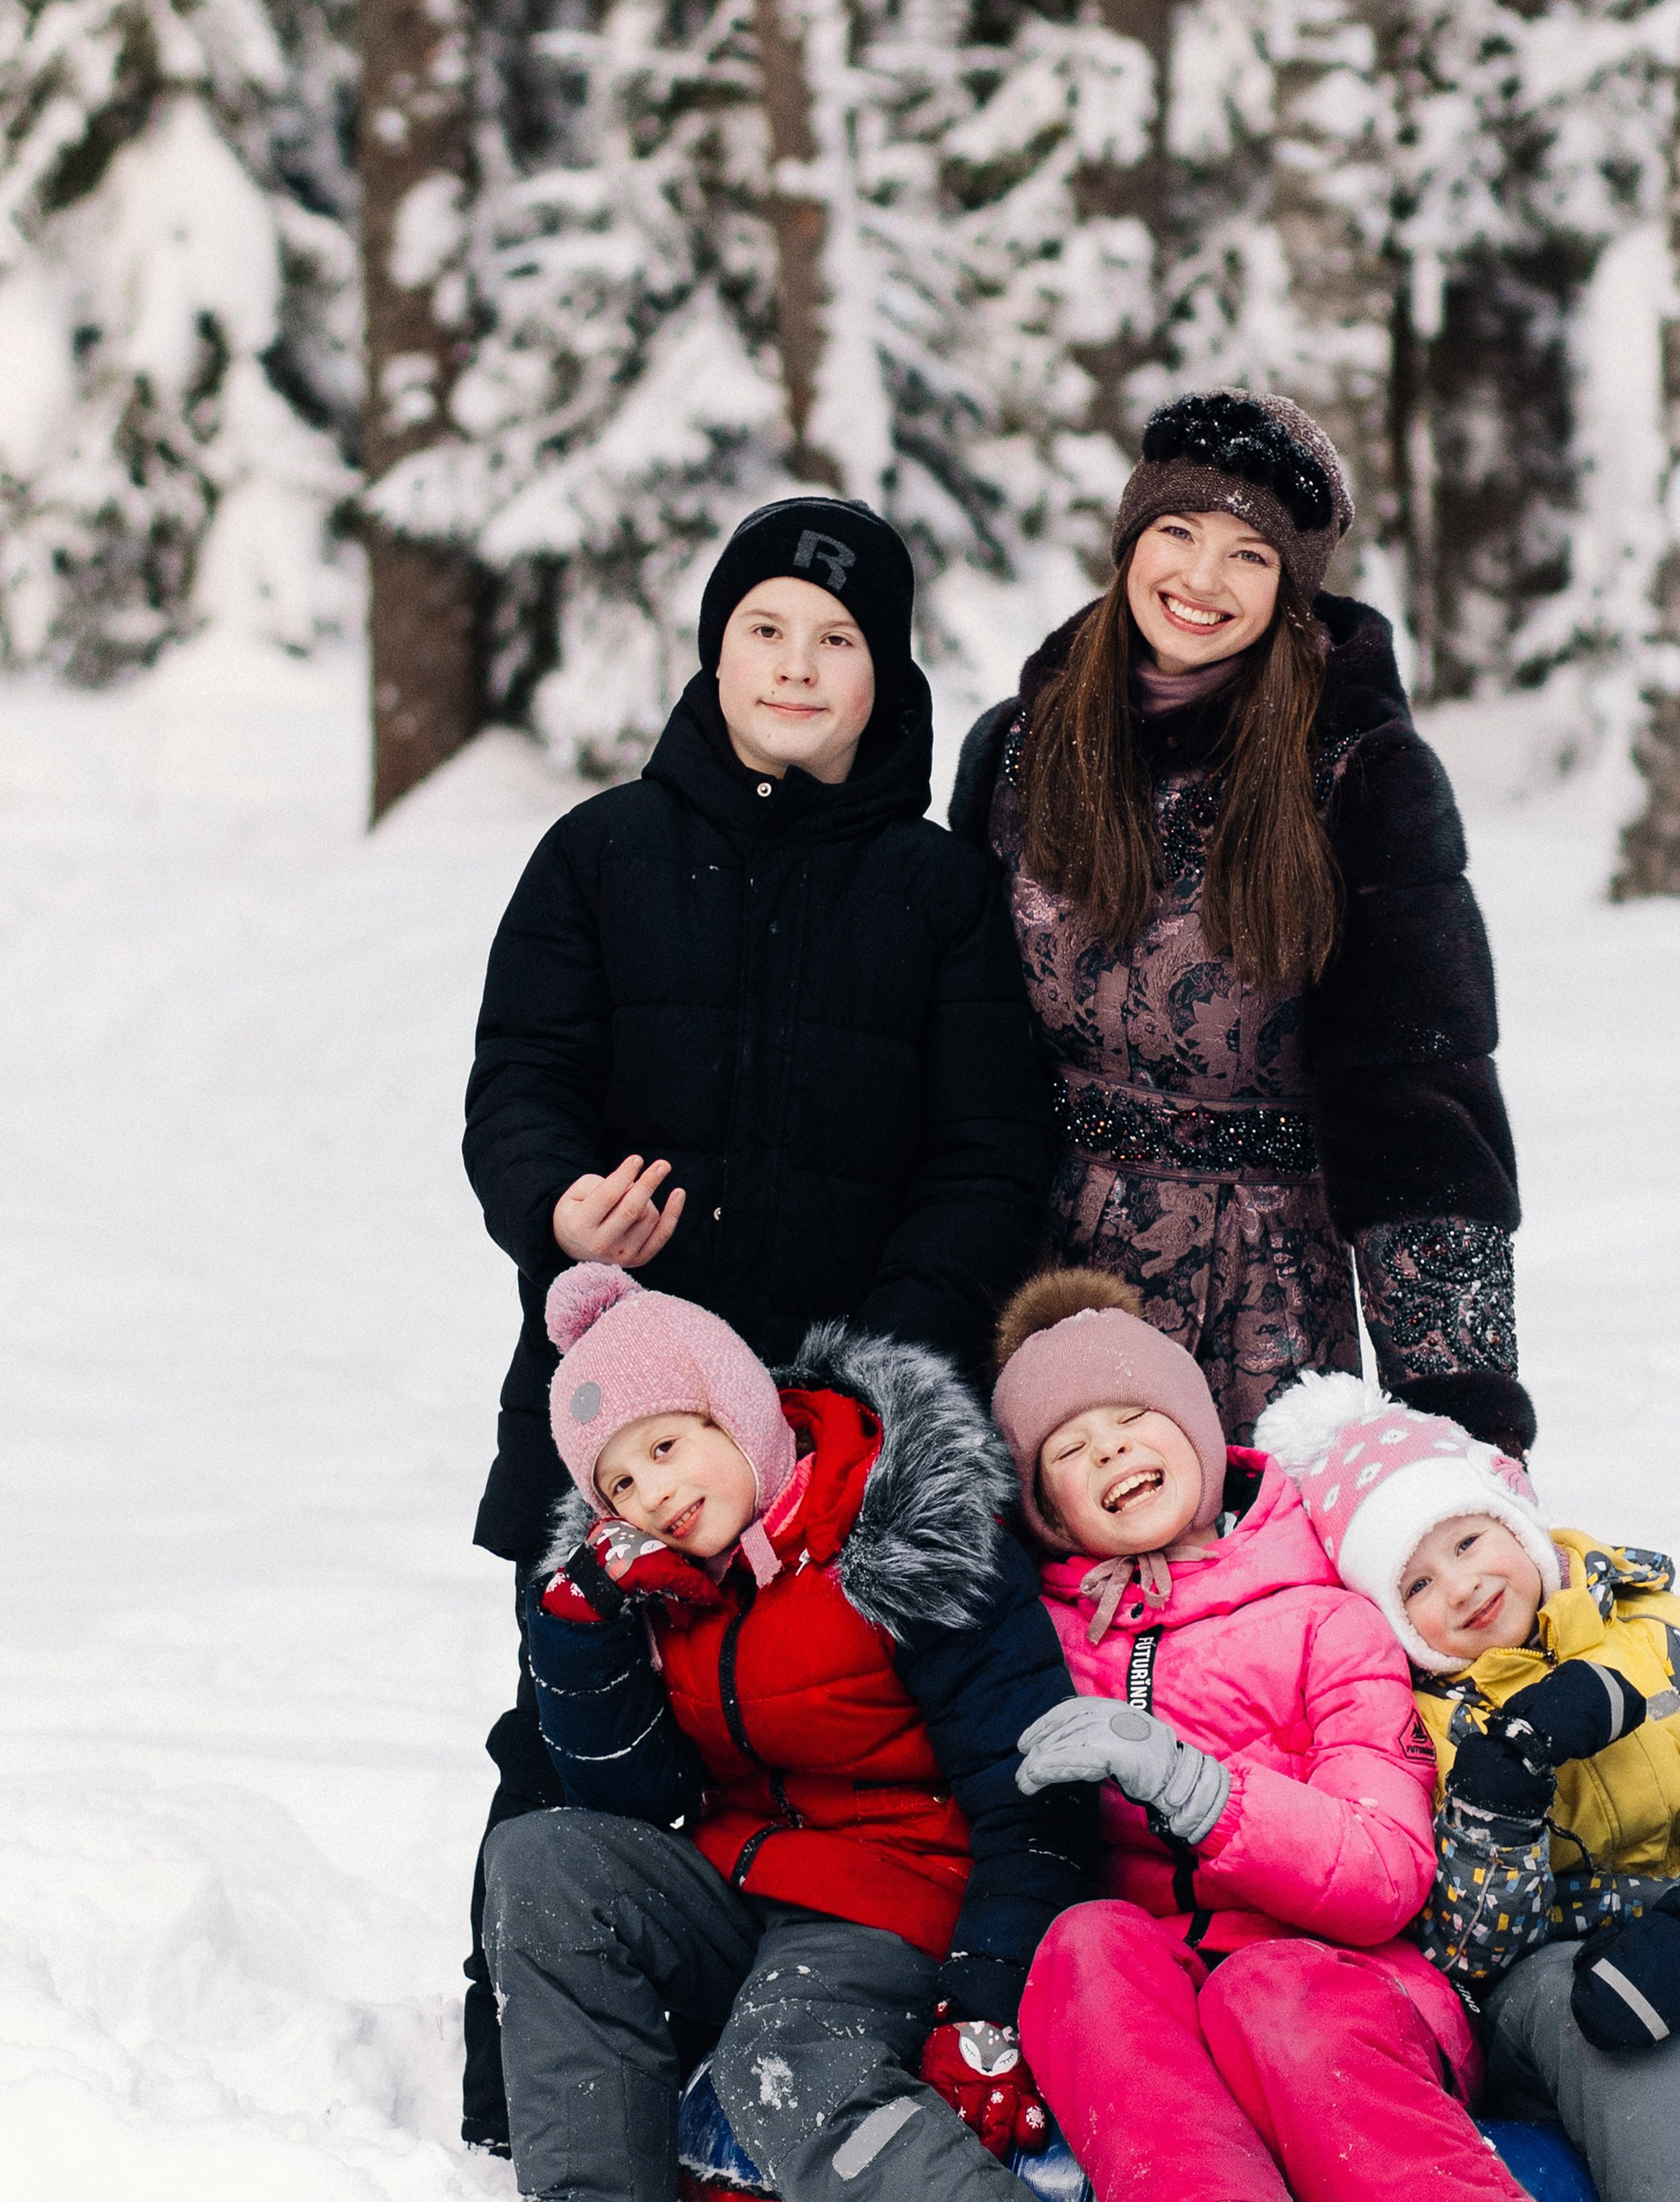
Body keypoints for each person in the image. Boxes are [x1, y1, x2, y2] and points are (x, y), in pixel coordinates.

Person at [459, 495, 1053, 2148]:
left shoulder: (937, 894)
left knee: (857, 1733)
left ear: (888, 674)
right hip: (618, 1401)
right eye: (766, 630)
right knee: (578, 1725)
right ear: (713, 651)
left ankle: (838, 2062)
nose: (797, 665)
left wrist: (883, 1354)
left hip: (835, 1432)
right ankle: (538, 2093)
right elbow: (520, 1089)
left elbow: (990, 1153)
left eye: (839, 640)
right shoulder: (598, 855)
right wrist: (558, 1210)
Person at [951, 388, 1529, 1460]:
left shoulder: (1361, 775)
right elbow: (962, 1047)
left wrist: (1464, 1422)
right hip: (1043, 1292)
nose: (1200, 580)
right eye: (1176, 531)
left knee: (1239, 1604)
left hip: (1261, 1303)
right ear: (1129, 539)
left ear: (1292, 585)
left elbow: (1419, 1110)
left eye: (1248, 554)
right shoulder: (1019, 749)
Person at [483, 1263, 1091, 2202]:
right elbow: (634, 1802)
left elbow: (1034, 1786)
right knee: (543, 1860)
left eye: (668, 1444)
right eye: (620, 1481)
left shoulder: (896, 1524)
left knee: (782, 2057)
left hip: (899, 1892)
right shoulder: (672, 1587)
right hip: (749, 1883)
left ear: (734, 1406)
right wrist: (582, 1634)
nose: (651, 1491)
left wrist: (986, 2004)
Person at [1255, 1371, 1680, 2202]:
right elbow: (1465, 1949)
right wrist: (1497, 1798)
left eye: (1467, 1543)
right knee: (1637, 2065)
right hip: (1542, 1983)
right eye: (1417, 1585)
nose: (1462, 1586)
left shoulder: (1662, 1633)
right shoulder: (1418, 1724)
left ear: (1515, 1521)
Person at [996, 1270, 1531, 2202]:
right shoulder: (1042, 1638)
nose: (1111, 1450)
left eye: (1132, 1417)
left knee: (1268, 1987)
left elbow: (1385, 1873)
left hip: (1350, 1994)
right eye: (1069, 1451)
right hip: (1170, 2005)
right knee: (1086, 1944)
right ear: (1049, 1512)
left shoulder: (1325, 1616)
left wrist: (1197, 1788)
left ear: (1201, 1430)